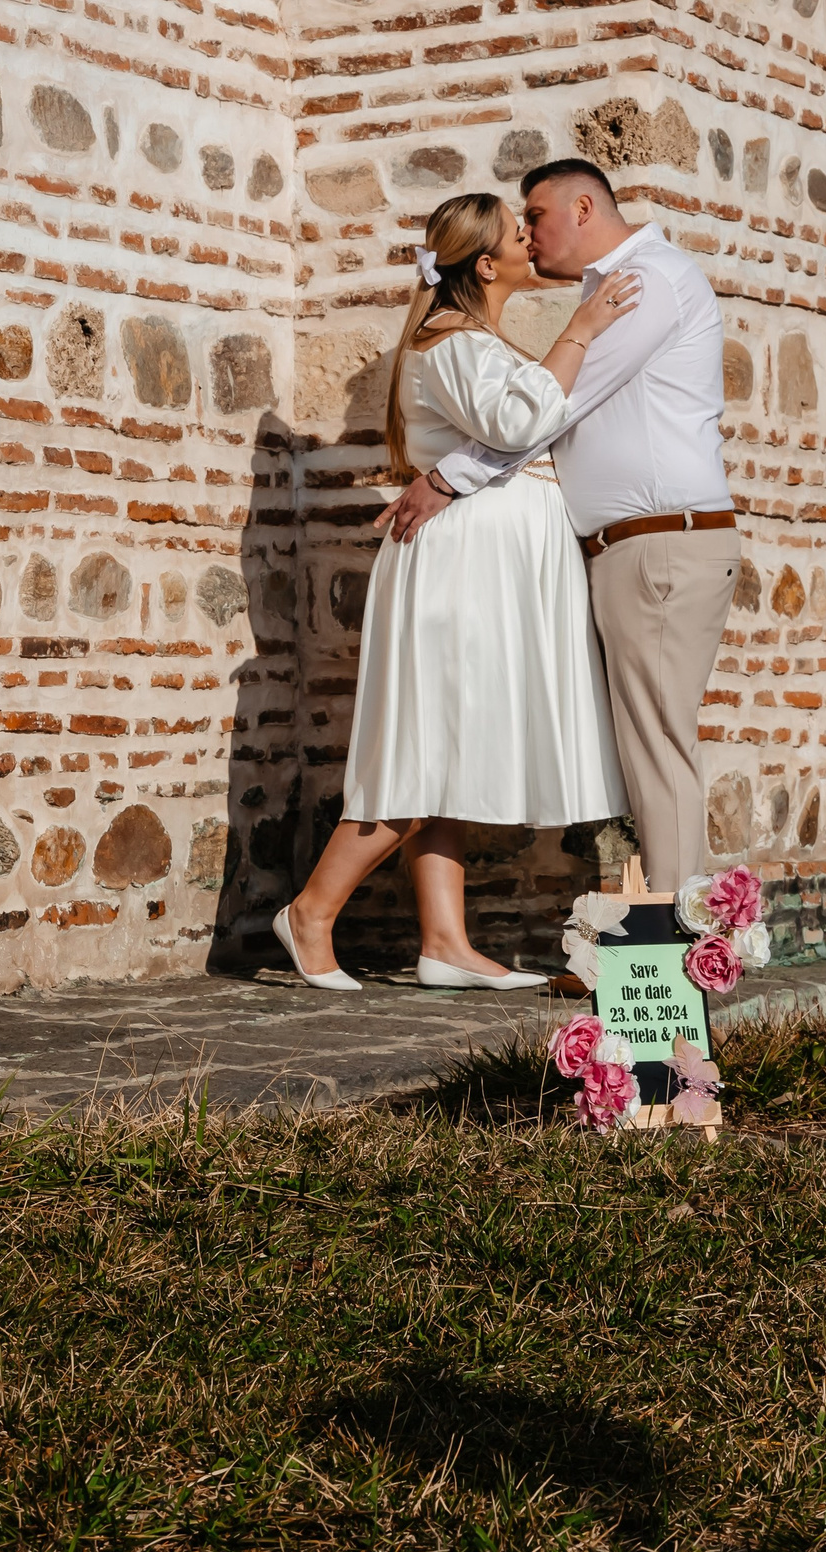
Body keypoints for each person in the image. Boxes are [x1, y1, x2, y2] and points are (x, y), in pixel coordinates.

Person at [272, 191, 638, 992]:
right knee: (425, 745)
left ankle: (444, 942)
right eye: (518, 232)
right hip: (463, 561)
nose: (530, 240)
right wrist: (580, 331)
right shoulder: (450, 342)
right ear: (484, 263)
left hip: (489, 555)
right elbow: (519, 424)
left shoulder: (475, 338)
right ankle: (311, 912)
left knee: (455, 747)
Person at [377, 159, 743, 894]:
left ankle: (673, 956)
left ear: (582, 207)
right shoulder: (602, 292)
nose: (529, 233)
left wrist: (450, 477)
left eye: (534, 215)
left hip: (659, 543)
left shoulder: (644, 282)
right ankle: (665, 943)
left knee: (656, 747)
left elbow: (548, 410)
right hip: (631, 548)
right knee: (646, 747)